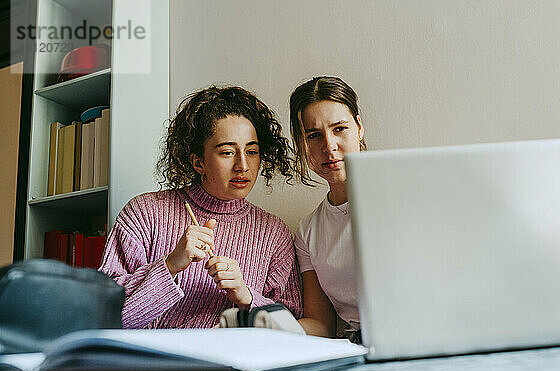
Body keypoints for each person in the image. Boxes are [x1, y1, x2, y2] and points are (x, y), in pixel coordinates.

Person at [99, 86, 303, 329]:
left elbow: (293, 326)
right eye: (227, 152)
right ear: (198, 162)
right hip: (151, 364)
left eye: (252, 151)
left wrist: (246, 297)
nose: (243, 165)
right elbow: (104, 317)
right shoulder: (144, 213)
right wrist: (170, 265)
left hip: (232, 364)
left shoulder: (273, 232)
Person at [290, 76, 366, 343]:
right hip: (354, 348)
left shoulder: (403, 198)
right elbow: (320, 325)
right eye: (313, 135)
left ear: (359, 128)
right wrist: (270, 325)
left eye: (339, 129)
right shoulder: (308, 231)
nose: (329, 146)